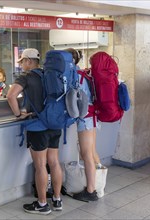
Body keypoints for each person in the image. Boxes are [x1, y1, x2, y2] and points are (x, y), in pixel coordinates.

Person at [6, 48, 63, 215]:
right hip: (55, 124)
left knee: (40, 166)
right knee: (54, 162)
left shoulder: (26, 77)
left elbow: (11, 96)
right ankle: (57, 200)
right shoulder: (50, 75)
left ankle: (42, 204)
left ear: (29, 61)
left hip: (38, 126)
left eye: (22, 61)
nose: (22, 65)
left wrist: (18, 114)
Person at [65, 48, 100, 202]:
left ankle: (91, 191)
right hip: (92, 117)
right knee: (91, 152)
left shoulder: (75, 76)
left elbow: (75, 99)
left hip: (85, 118)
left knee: (86, 155)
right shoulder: (84, 74)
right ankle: (99, 185)